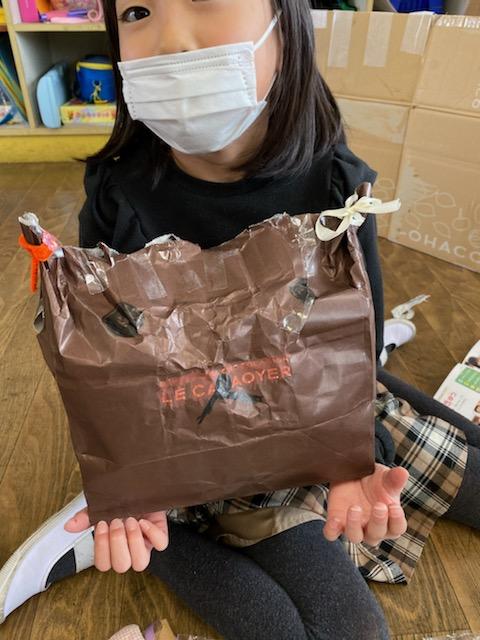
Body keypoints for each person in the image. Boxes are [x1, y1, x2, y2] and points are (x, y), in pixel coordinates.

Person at [1, 2, 479, 639]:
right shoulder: (120, 192)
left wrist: (357, 457)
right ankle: (119, 531)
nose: (171, 40)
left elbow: (353, 354)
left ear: (286, 22)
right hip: (195, 439)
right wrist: (134, 487)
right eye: (137, 11)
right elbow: (112, 368)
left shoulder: (335, 181)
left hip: (313, 409)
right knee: (339, 630)